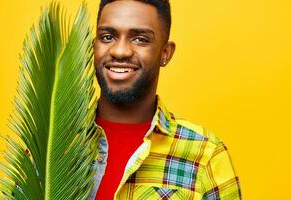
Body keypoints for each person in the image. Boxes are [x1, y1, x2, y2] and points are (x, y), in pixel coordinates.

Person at [89, 0, 241, 199]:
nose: (120, 51)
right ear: (94, 45)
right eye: (107, 37)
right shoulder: (50, 142)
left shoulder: (206, 155)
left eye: (140, 39)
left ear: (165, 53)